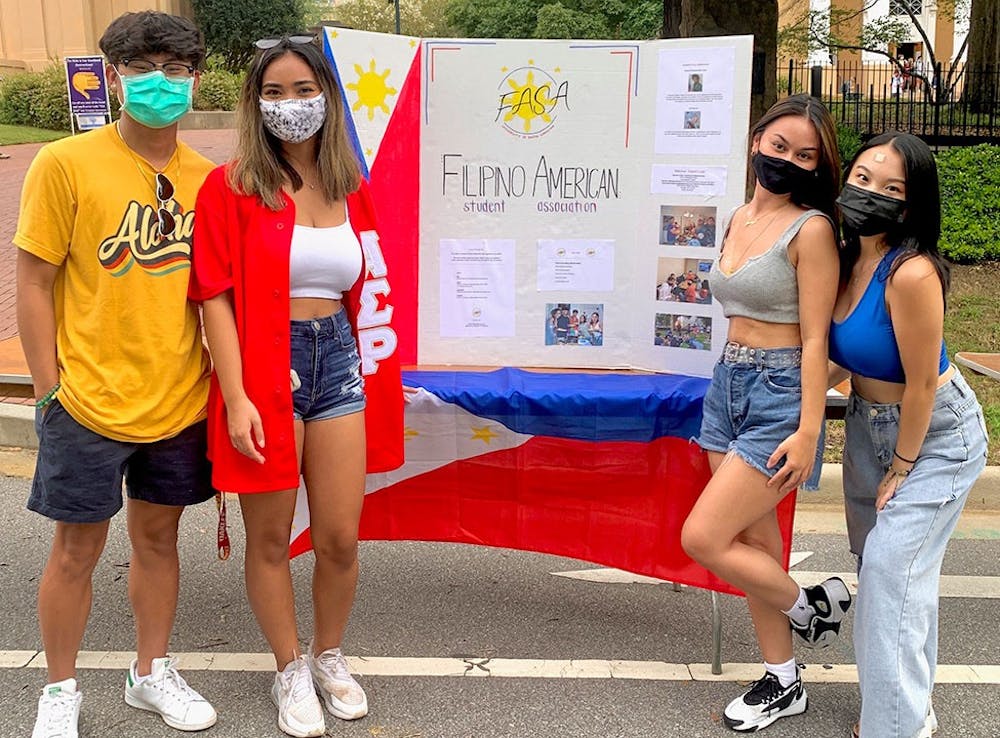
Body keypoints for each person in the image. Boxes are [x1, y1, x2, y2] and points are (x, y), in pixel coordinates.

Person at [188, 34, 403, 738]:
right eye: (273, 93)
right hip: (264, 365)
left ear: (327, 98)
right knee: (272, 537)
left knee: (340, 535)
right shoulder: (232, 186)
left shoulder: (349, 186)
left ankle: (330, 655)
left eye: (303, 91)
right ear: (255, 103)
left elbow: (366, 291)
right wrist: (240, 390)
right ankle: (289, 666)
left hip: (336, 362)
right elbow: (212, 293)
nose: (290, 105)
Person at [14, 11, 219, 737]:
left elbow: (217, 296)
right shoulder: (65, 164)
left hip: (178, 398)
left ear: (196, 79)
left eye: (175, 68)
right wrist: (49, 390)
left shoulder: (208, 180)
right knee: (75, 550)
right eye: (142, 67)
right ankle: (60, 691)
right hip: (88, 399)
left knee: (158, 542)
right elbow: (34, 281)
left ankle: (149, 671)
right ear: (112, 75)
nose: (159, 83)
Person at [681, 94, 848, 733]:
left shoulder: (811, 230)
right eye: (778, 146)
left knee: (703, 537)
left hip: (780, 395)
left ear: (817, 167)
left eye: (805, 155)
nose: (787, 161)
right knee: (753, 542)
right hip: (728, 387)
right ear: (756, 141)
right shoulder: (735, 217)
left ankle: (810, 606)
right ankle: (784, 680)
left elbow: (815, 340)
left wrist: (810, 428)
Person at [829, 132, 988, 738]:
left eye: (892, 188)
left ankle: (893, 727)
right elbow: (851, 357)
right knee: (889, 573)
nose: (870, 193)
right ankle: (903, 707)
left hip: (934, 436)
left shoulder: (912, 272)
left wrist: (901, 466)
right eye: (864, 177)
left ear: (912, 202)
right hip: (868, 427)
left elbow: (921, 383)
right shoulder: (846, 259)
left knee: (894, 572)